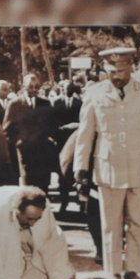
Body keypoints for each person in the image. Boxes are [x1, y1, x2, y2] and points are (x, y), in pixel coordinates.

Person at [74, 46, 140, 279]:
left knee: (139, 222)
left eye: (120, 70)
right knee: (111, 225)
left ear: (131, 67)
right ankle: (113, 273)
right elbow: (85, 133)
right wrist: (80, 166)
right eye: (111, 70)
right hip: (109, 167)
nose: (115, 75)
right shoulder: (94, 93)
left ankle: (133, 270)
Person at [3, 73, 59, 191]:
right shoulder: (15, 104)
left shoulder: (45, 103)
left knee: (44, 183)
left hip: (43, 150)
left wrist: (51, 139)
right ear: (23, 87)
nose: (34, 90)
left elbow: (52, 125)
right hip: (25, 151)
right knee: (28, 185)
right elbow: (7, 129)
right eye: (30, 87)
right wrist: (18, 142)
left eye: (36, 87)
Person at [53, 80, 84, 211]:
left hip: (75, 141)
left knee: (76, 172)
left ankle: (80, 202)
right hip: (61, 141)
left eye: (69, 89)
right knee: (62, 172)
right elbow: (53, 120)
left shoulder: (79, 103)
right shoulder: (57, 102)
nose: (67, 91)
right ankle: (64, 202)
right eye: (65, 89)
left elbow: (82, 120)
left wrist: (73, 126)